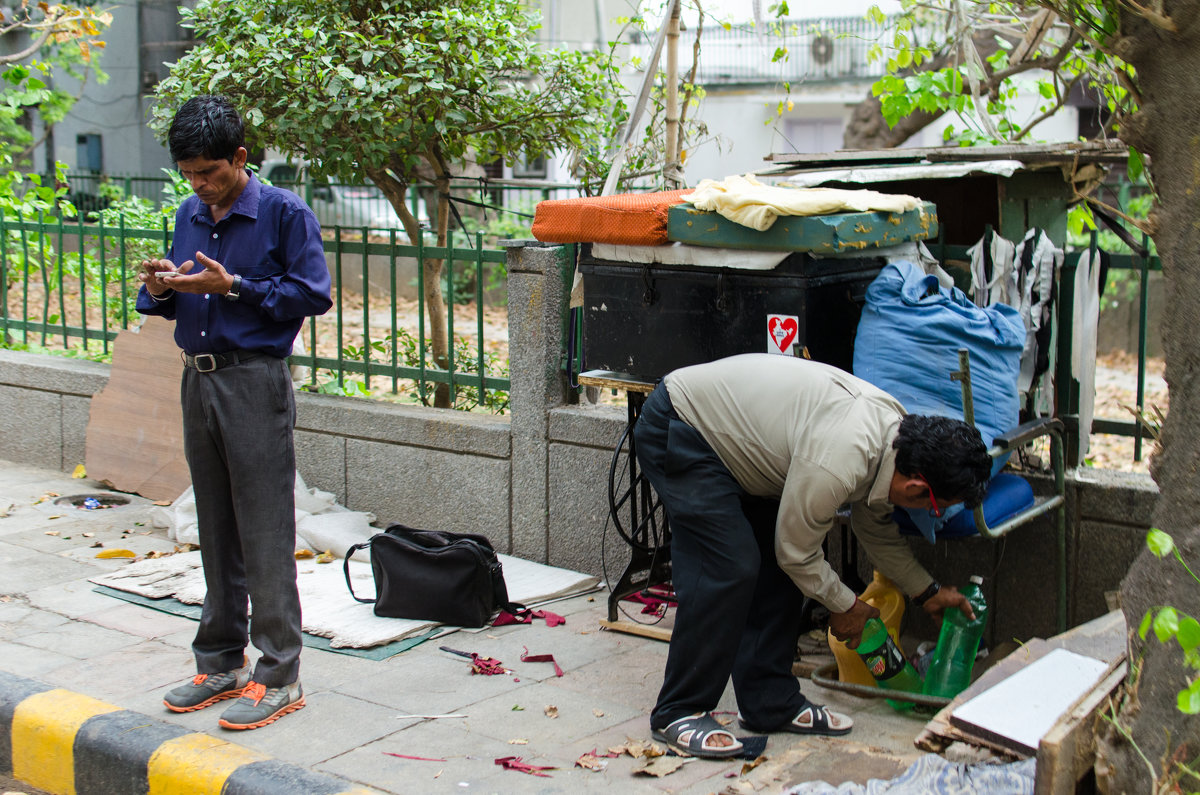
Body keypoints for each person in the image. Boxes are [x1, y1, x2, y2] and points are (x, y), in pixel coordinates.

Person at [634, 353, 991, 758]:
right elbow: (796, 552)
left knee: (781, 573)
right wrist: (846, 605)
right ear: (916, 488)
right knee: (728, 566)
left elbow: (873, 527)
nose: (933, 515)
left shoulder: (896, 439)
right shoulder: (843, 457)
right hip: (684, 425)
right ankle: (678, 710)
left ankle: (768, 701)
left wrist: (927, 592)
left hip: (745, 449)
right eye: (936, 506)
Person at [138, 95, 332, 730]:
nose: (199, 185)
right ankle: (220, 660)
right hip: (198, 380)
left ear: (241, 158)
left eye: (210, 173)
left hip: (254, 382)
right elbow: (176, 303)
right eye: (189, 173)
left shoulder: (283, 213)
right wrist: (161, 287)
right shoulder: (188, 214)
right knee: (214, 525)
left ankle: (280, 673)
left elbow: (312, 295)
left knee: (265, 528)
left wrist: (236, 287)